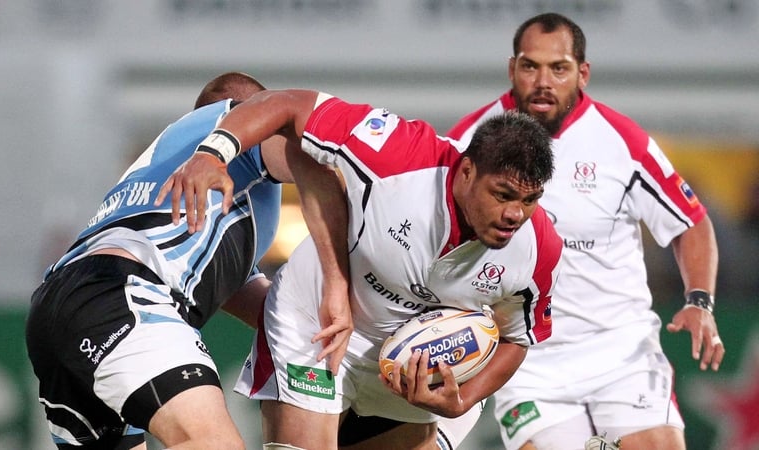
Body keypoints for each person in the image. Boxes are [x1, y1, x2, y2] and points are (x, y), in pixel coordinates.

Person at [156, 89, 563, 449]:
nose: (515, 214)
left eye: (529, 201)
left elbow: (516, 337)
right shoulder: (398, 153)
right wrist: (213, 154)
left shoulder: (539, 248)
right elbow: (289, 104)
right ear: (468, 170)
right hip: (315, 327)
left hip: (407, 369)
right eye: (503, 194)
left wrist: (463, 399)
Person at [438, 12, 724, 449]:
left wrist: (699, 300)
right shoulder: (469, 143)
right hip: (525, 357)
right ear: (512, 68)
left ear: (582, 73)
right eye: (530, 66)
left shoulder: (622, 142)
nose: (542, 81)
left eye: (559, 68)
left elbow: (691, 222)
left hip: (619, 350)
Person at [25, 72, 352, 450]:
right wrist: (339, 282)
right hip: (124, 296)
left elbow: (263, 305)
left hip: (57, 310)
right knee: (211, 443)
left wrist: (343, 334)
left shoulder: (169, 175)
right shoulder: (233, 128)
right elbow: (318, 166)